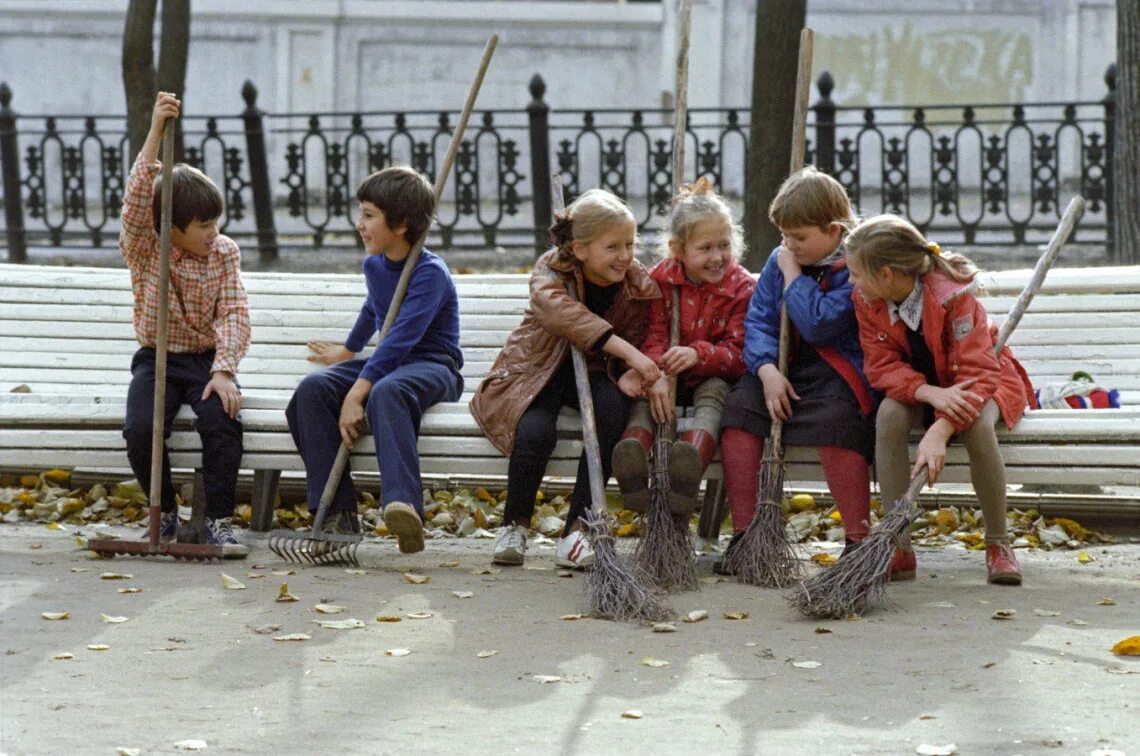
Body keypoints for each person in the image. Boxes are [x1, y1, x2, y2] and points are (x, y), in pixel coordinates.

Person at [470, 189, 661, 568]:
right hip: (539, 371)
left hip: (593, 371)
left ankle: (578, 529)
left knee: (611, 412)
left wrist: (623, 374)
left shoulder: (636, 284)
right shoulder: (551, 269)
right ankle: (515, 525)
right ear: (580, 248)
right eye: (612, 247)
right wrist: (629, 354)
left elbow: (640, 335)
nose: (625, 256)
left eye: (630, 244)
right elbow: (559, 313)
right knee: (536, 432)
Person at [845, 214, 1035, 585]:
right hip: (924, 387)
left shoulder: (955, 294)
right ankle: (897, 545)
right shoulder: (867, 299)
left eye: (856, 273)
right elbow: (881, 366)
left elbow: (979, 374)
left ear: (886, 275)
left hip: (983, 382)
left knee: (978, 425)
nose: (851, 282)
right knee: (889, 416)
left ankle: (998, 543)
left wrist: (940, 430)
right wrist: (930, 394)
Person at [286, 166, 463, 554]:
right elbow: (374, 308)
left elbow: (399, 340)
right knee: (312, 391)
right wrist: (348, 352)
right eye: (361, 213)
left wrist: (355, 394)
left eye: (369, 215)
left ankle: (404, 508)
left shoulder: (429, 274)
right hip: (388, 364)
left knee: (387, 391)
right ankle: (336, 515)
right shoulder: (375, 265)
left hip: (433, 365)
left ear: (400, 224)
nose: (359, 224)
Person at [717, 166, 875, 573]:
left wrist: (793, 277)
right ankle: (746, 536)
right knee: (738, 413)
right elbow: (759, 320)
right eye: (784, 235)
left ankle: (858, 541)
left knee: (837, 423)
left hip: (836, 370)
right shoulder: (781, 258)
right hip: (782, 366)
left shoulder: (857, 265)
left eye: (799, 237)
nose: (789, 245)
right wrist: (766, 369)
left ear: (835, 229)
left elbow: (819, 323)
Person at [120, 92, 251, 558]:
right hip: (155, 359)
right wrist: (156, 129)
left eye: (217, 221)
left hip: (203, 363)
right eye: (202, 224)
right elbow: (137, 201)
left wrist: (224, 369)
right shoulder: (145, 247)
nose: (213, 231)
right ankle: (165, 511)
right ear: (171, 226)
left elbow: (234, 313)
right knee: (140, 428)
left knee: (221, 420)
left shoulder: (223, 252)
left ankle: (217, 519)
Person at [611, 177, 754, 516]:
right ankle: (632, 452)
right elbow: (653, 334)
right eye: (705, 249)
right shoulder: (661, 280)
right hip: (665, 375)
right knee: (646, 395)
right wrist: (656, 370)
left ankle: (689, 461)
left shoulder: (741, 288)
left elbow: (739, 352)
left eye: (724, 245)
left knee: (716, 393)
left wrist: (699, 354)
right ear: (677, 249)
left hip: (711, 374)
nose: (717, 257)